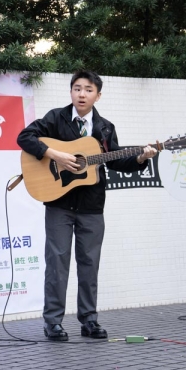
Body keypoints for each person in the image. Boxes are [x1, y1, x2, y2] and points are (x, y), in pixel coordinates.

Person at [17, 70, 157, 342]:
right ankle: (53, 322)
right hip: (59, 203)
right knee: (57, 263)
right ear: (71, 91)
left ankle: (89, 320)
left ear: (98, 95)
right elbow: (25, 137)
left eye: (88, 90)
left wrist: (141, 158)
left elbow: (115, 160)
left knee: (89, 264)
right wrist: (55, 154)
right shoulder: (55, 118)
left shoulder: (105, 128)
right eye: (77, 88)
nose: (82, 94)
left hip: (92, 205)